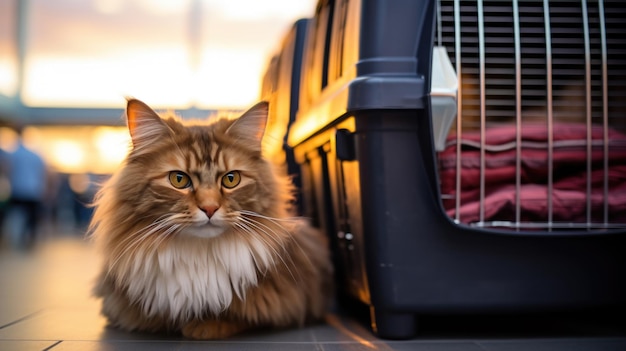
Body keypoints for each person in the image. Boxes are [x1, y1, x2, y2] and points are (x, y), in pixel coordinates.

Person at [6, 127, 47, 248]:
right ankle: (29, 239)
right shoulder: (35, 155)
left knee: (15, 215)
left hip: (16, 189)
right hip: (34, 190)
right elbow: (42, 173)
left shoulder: (13, 154)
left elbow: (7, 169)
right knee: (32, 217)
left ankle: (15, 238)